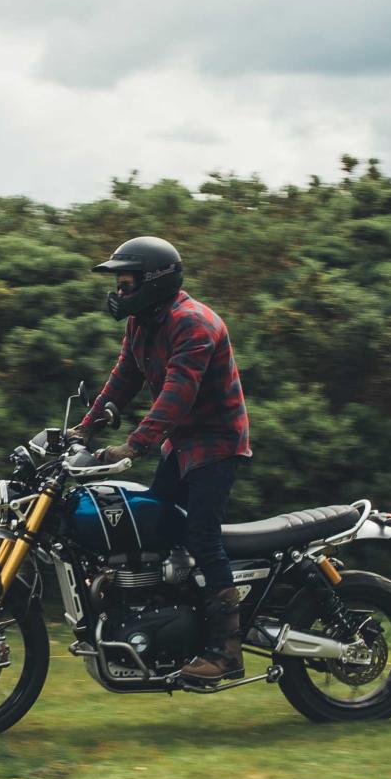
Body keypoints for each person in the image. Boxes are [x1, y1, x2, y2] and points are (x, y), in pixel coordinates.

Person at [68, 235, 253, 686]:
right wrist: (82, 429)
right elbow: (123, 379)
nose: (118, 291)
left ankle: (226, 651)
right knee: (157, 525)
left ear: (153, 281)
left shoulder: (193, 323)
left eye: (125, 281)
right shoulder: (142, 323)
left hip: (215, 444)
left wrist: (135, 444)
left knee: (201, 536)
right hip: (180, 444)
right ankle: (168, 623)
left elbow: (178, 393)